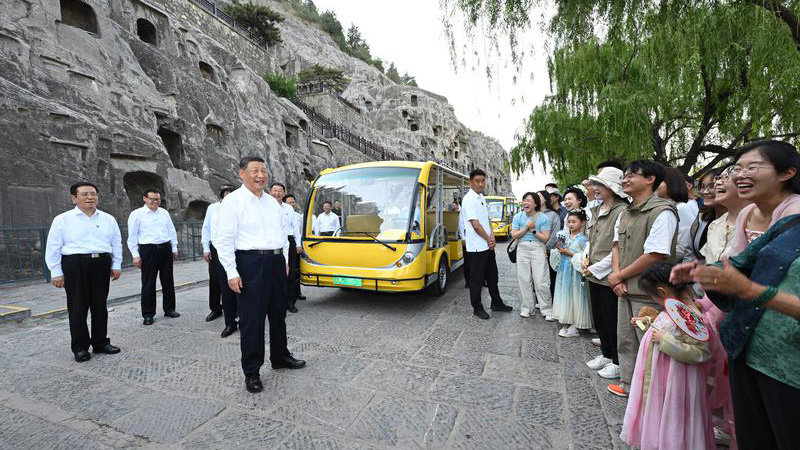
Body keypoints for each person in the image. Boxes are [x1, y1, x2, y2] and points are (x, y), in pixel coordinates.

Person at [671, 140, 800, 449]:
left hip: (789, 363)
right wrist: (706, 273)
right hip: (748, 346)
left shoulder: (792, 214)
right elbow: (740, 263)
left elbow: (747, 282)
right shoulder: (780, 222)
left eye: (752, 167)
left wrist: (749, 290)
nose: (740, 175)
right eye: (737, 168)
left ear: (788, 173)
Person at [215, 156, 306, 394]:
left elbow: (282, 234)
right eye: (255, 170)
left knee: (278, 313)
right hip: (250, 263)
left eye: (264, 170)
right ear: (241, 174)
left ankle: (280, 356)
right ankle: (252, 371)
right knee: (252, 319)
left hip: (276, 262)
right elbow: (224, 239)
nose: (261, 175)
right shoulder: (232, 201)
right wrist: (231, 272)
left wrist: (284, 260)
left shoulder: (272, 203)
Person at [620, 262, 715, 450]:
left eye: (652, 296)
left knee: (674, 414)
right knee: (660, 409)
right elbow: (666, 325)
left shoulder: (690, 316)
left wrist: (665, 340)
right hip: (661, 374)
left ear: (662, 292)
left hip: (677, 378)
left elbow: (700, 352)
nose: (653, 300)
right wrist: (647, 322)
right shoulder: (673, 308)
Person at [607, 160, 678, 397]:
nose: (625, 180)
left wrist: (619, 276)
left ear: (650, 179)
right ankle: (629, 385)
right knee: (626, 340)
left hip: (647, 292)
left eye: (631, 175)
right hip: (624, 288)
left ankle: (652, 395)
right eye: (624, 176)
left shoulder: (662, 211)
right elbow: (616, 246)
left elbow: (656, 254)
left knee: (650, 344)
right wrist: (617, 278)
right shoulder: (625, 213)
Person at [45, 182, 122, 362]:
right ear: (74, 198)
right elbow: (53, 246)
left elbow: (116, 242)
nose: (90, 197)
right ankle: (80, 347)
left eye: (93, 194)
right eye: (85, 194)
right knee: (77, 307)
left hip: (101, 263)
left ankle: (100, 342)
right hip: (75, 264)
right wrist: (55, 271)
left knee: (100, 306)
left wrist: (116, 264)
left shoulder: (108, 219)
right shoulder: (62, 219)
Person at [583, 166, 629, 380]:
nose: (594, 188)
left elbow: (618, 248)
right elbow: (591, 239)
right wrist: (587, 260)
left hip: (608, 273)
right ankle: (607, 353)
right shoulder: (597, 208)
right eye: (595, 184)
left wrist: (595, 268)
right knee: (599, 318)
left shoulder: (621, 211)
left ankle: (618, 361)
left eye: (600, 184)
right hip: (593, 271)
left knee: (612, 319)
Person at [462, 169, 512, 319]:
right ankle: (477, 307)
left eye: (482, 181)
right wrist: (488, 239)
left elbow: (487, 219)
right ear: (470, 182)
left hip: (487, 245)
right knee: (477, 279)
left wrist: (492, 236)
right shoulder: (469, 199)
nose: (480, 184)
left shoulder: (481, 197)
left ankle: (496, 302)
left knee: (492, 276)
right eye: (477, 181)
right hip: (477, 246)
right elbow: (475, 225)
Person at [127, 188, 179, 325]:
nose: (155, 202)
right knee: (148, 283)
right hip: (148, 250)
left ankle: (169, 309)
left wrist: (174, 248)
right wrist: (135, 255)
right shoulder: (137, 214)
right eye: (152, 199)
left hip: (165, 248)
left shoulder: (164, 213)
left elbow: (171, 231)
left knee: (168, 281)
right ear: (145, 199)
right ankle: (148, 314)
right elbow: (132, 237)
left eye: (158, 199)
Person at [511, 191, 552, 318]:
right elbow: (514, 235)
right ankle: (527, 308)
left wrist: (533, 229)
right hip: (522, 248)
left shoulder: (543, 218)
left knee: (541, 281)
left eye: (528, 200)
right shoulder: (517, 217)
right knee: (524, 279)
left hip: (538, 248)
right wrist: (526, 228)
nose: (525, 203)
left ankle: (547, 310)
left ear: (535, 204)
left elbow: (545, 238)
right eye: (524, 200)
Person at [553, 210, 591, 337]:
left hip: (575, 272)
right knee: (566, 294)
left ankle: (576, 324)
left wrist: (568, 253)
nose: (571, 224)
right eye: (569, 222)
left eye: (574, 222)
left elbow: (585, 257)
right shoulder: (564, 237)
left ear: (582, 223)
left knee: (576, 295)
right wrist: (558, 250)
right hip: (564, 270)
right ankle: (568, 320)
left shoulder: (583, 239)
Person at [701, 166, 750, 263]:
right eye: (718, 178)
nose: (717, 183)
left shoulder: (756, 225)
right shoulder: (714, 225)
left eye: (726, 177)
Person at [201, 186, 235, 323]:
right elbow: (206, 228)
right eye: (226, 196)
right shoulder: (212, 208)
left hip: (233, 248)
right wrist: (206, 248)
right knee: (215, 279)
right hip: (215, 248)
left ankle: (233, 310)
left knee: (232, 278)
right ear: (221, 197)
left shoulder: (237, 208)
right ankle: (215, 309)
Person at [270, 182, 300, 314]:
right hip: (272, 242)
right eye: (274, 190)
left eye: (280, 191)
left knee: (290, 272)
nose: (277, 193)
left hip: (289, 240)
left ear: (283, 193)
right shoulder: (265, 207)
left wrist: (298, 244)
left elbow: (295, 227)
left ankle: (290, 302)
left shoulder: (288, 208)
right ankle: (276, 301)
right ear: (270, 192)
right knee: (273, 273)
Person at [656, 166, 696, 262]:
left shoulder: (681, 208)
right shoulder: (661, 206)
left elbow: (683, 246)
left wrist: (657, 260)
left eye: (660, 181)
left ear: (671, 184)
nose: (655, 185)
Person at [689, 169, 726, 262]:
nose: (705, 192)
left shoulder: (736, 220)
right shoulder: (702, 217)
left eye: (711, 186)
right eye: (702, 187)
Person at [539, 189, 562, 315]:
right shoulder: (534, 214)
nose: (537, 198)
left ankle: (551, 303)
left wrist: (545, 247)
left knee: (550, 278)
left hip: (548, 252)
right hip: (536, 251)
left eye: (539, 196)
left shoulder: (553, 215)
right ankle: (541, 301)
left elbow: (554, 235)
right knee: (539, 278)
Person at [285, 194, 306, 301]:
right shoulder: (281, 213)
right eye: (289, 202)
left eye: (293, 202)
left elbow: (300, 231)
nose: (292, 204)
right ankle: (287, 295)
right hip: (285, 242)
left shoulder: (299, 216)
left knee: (296, 269)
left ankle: (297, 292)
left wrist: (299, 244)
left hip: (296, 243)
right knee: (288, 269)